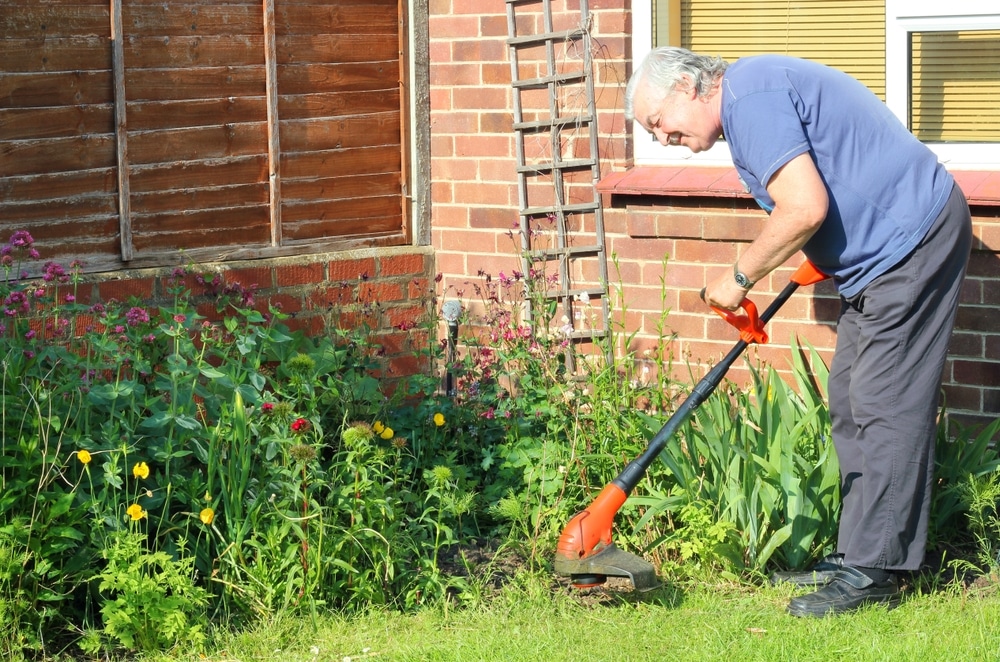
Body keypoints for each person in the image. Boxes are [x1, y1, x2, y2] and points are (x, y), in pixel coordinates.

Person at [624, 47, 972, 617]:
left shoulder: (749, 98)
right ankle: (863, 552)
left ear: (687, 85)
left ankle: (874, 571)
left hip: (911, 240)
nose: (660, 138)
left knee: (883, 402)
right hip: (877, 256)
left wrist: (739, 276)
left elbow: (804, 207)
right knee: (850, 399)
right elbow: (826, 182)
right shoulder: (749, 98)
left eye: (658, 122)